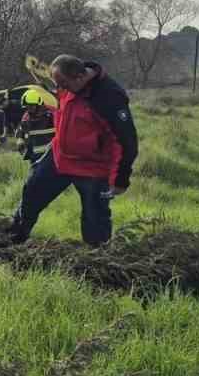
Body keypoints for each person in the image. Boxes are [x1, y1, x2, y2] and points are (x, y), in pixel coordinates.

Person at [9, 55, 138, 246]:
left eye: (63, 84)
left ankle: (97, 260)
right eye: (57, 83)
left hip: (92, 167)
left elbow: (127, 141)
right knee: (31, 193)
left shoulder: (108, 96)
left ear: (79, 77)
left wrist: (120, 179)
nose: (60, 88)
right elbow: (50, 77)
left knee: (95, 220)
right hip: (59, 156)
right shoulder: (68, 81)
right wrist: (35, 67)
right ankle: (11, 239)